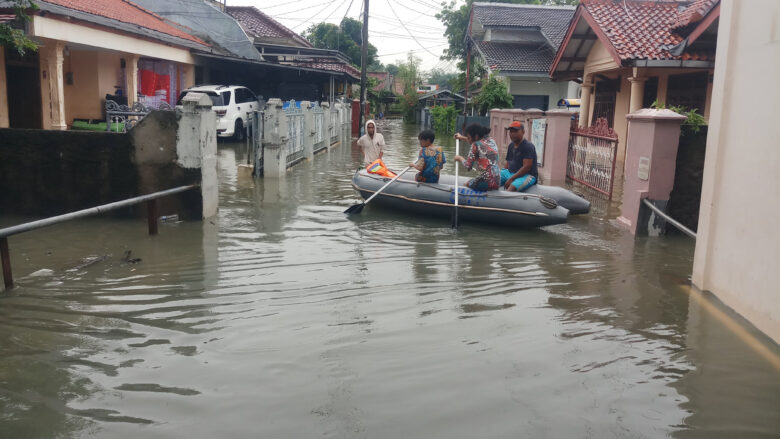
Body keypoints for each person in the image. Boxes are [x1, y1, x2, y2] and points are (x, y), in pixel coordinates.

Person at [453, 123, 500, 191]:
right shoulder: (492, 141)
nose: (468, 140)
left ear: (476, 136)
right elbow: (475, 141)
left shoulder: (475, 145)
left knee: (466, 184)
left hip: (487, 181)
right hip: (497, 181)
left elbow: (468, 166)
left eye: (469, 138)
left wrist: (459, 158)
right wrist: (461, 137)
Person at [500, 121, 538, 192]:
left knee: (512, 187)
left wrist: (511, 179)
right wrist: (502, 173)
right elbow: (508, 162)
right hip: (511, 173)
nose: (512, 134)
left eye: (515, 131)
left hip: (527, 175)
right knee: (494, 178)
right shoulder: (511, 145)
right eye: (511, 132)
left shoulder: (528, 146)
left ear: (523, 132)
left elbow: (527, 167)